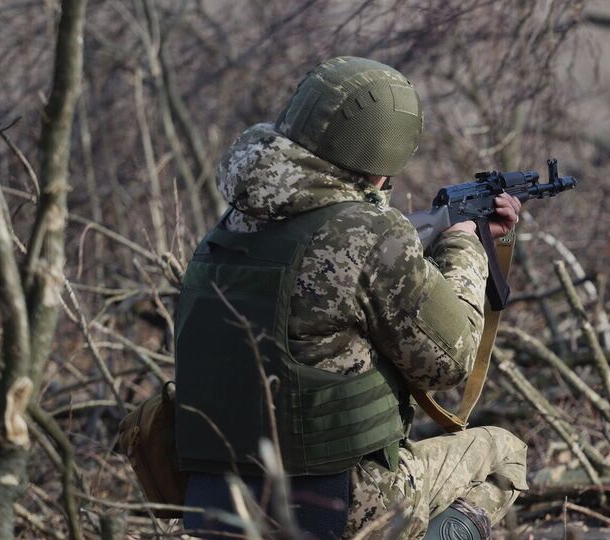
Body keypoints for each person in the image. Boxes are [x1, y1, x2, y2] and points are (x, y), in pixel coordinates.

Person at [173, 56, 527, 539]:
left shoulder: (227, 229)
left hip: (216, 508)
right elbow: (452, 362)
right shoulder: (367, 236)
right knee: (504, 454)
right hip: (336, 511)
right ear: (384, 151)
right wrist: (466, 243)